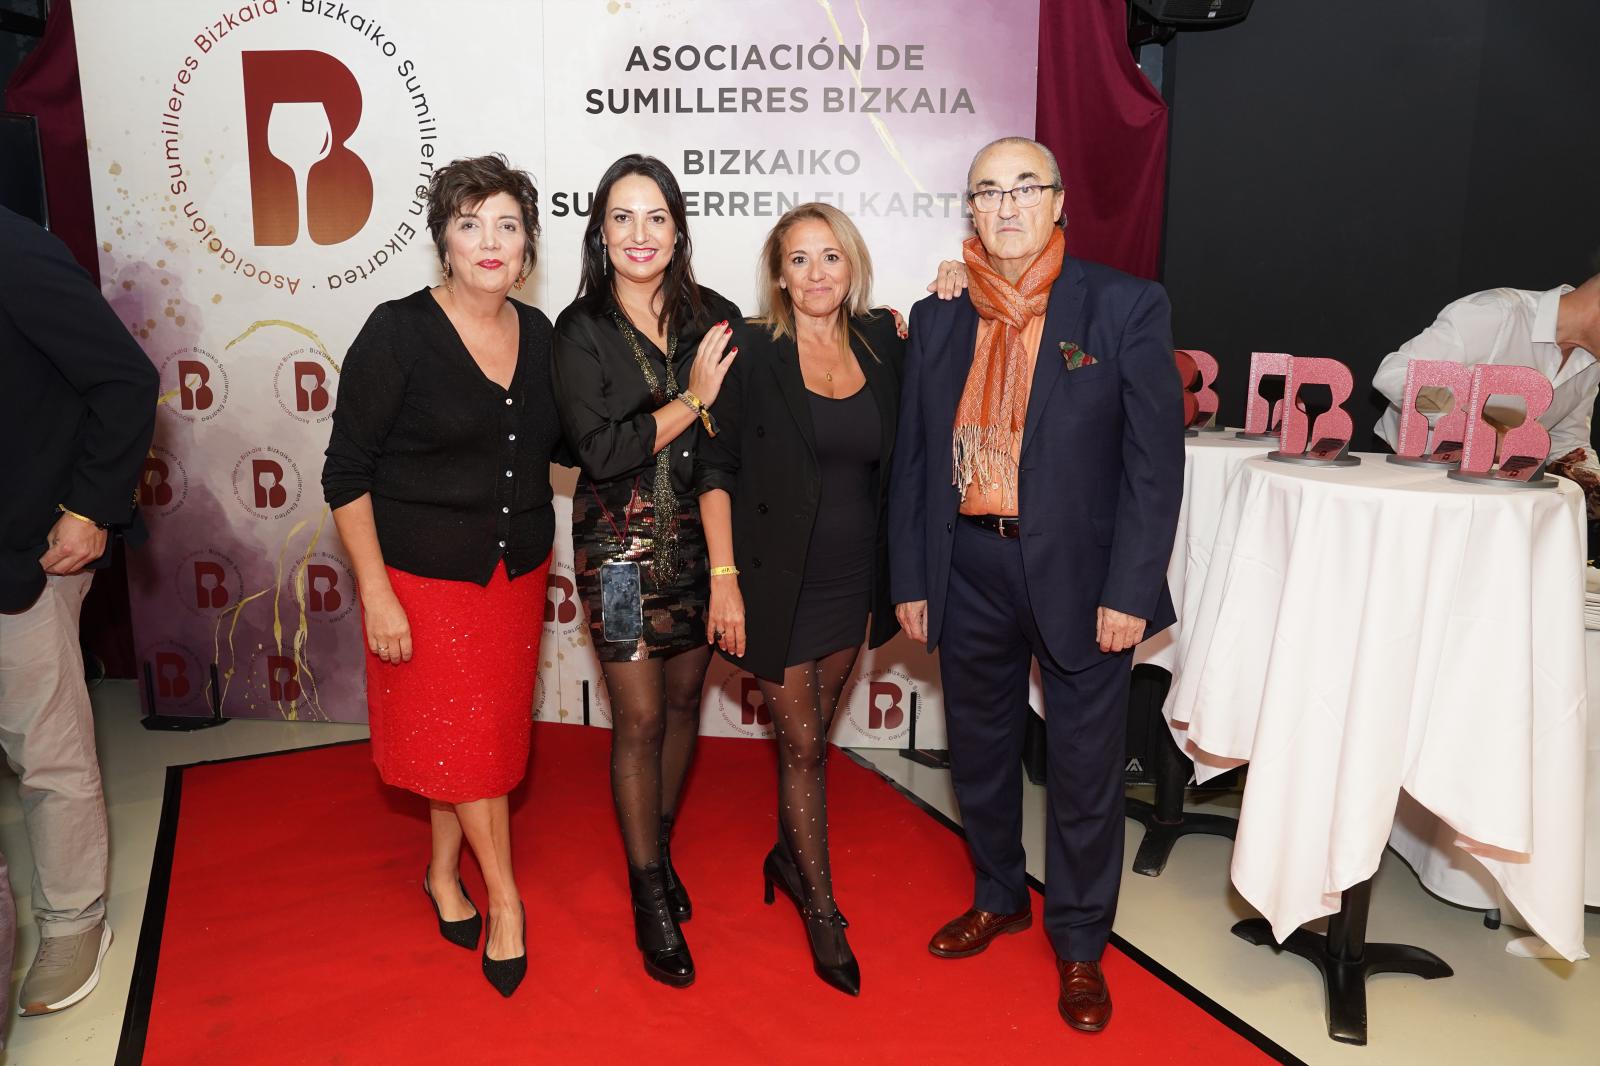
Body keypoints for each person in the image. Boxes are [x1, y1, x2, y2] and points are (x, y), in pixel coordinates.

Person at [888, 137, 1184, 1033]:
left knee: (1086, 770)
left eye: (1026, 187)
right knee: (978, 749)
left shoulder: (1124, 306)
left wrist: (1132, 589)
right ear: (970, 209)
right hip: (967, 563)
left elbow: (1152, 466)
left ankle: (1083, 946)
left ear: (1059, 203)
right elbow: (912, 458)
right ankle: (997, 894)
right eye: (989, 191)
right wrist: (912, 574)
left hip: (1084, 574)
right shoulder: (938, 316)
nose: (1007, 205)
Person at [322, 155, 562, 998]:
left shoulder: (541, 338)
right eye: (470, 224)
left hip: (515, 579)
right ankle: (504, 902)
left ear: (528, 246)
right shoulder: (397, 331)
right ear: (443, 242)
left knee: (473, 742)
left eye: (506, 225)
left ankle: (439, 872)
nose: (489, 242)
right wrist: (377, 590)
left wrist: (689, 395)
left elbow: (576, 442)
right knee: (472, 755)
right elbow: (345, 472)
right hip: (421, 583)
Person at [697, 203, 904, 996]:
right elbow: (712, 470)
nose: (816, 274)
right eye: (799, 260)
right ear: (778, 273)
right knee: (806, 744)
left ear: (852, 266)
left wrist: (955, 278)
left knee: (814, 733)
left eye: (831, 258)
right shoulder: (749, 350)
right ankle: (819, 905)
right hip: (773, 582)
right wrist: (725, 581)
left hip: (856, 576)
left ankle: (788, 856)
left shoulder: (884, 343)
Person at [551, 155, 739, 989]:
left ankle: (655, 842)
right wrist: (691, 402)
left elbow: (739, 436)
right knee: (639, 720)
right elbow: (604, 450)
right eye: (621, 218)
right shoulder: (579, 329)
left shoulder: (718, 319)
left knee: (685, 700)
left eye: (655, 216)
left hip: (701, 548)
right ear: (600, 231)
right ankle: (648, 890)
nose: (639, 234)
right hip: (619, 559)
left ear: (679, 228)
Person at [0, 205, 156, 1019]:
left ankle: (73, 921)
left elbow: (127, 379)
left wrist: (90, 507)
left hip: (25, 554)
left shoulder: (13, 248)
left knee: (45, 750)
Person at [1372, 274, 1600, 510]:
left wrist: (1594, 482)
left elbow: (1567, 442)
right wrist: (1484, 432)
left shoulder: (1592, 363)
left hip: (1493, 495)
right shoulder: (1496, 313)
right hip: (1405, 480)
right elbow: (1394, 374)